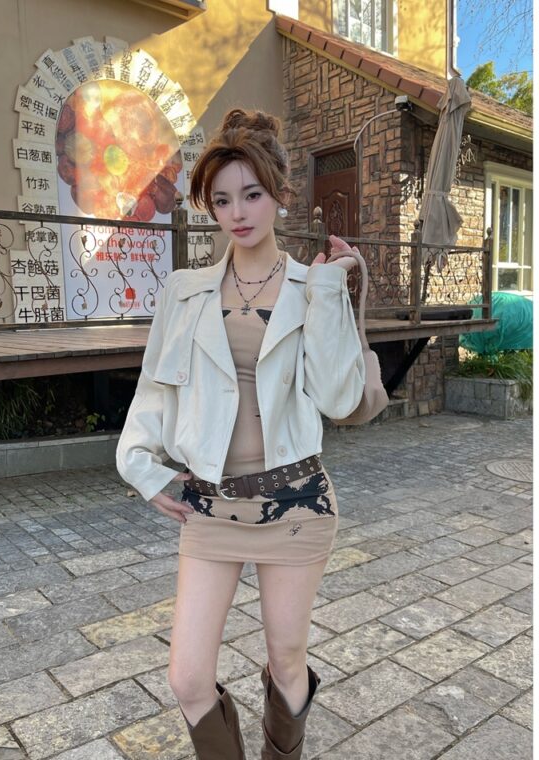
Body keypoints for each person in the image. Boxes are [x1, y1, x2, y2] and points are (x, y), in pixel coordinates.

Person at [117, 108, 365, 760]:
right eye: (222, 199)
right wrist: (142, 468)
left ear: (279, 193)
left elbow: (339, 398)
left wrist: (331, 291)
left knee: (286, 659)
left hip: (296, 502)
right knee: (187, 676)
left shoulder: (313, 285)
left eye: (251, 194)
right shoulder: (185, 291)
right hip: (211, 502)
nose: (237, 212)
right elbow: (156, 389)